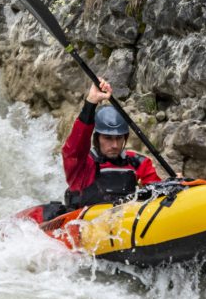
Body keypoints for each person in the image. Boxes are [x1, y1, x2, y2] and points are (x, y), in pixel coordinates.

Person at [61, 79, 161, 207]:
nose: (115, 145)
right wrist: (91, 103)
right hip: (89, 222)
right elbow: (74, 148)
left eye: (119, 138)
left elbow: (157, 191)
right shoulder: (83, 166)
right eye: (108, 138)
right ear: (97, 138)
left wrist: (172, 184)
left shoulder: (137, 163)